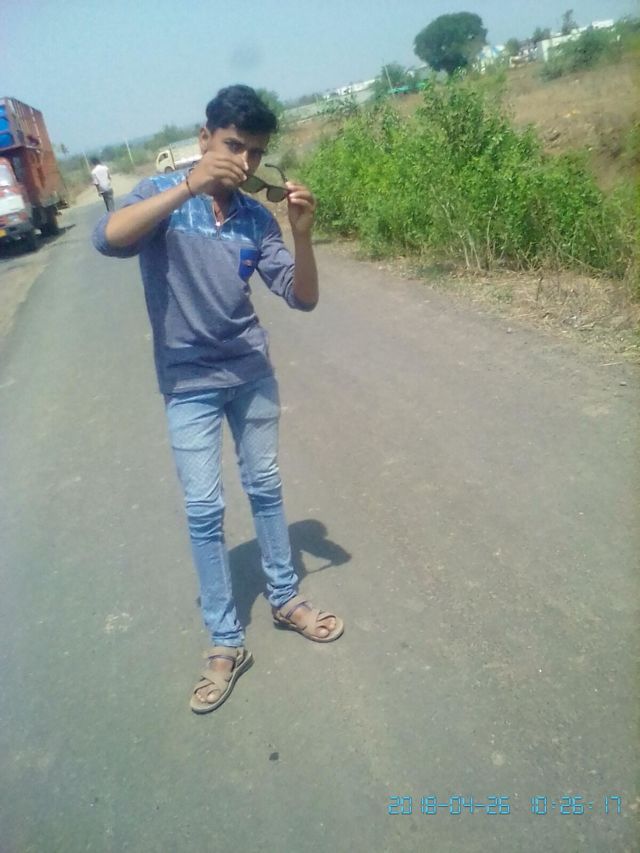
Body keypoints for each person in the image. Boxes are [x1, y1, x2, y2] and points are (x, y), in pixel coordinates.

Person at [92, 85, 344, 714]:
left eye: (255, 152)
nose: (244, 162)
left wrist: (303, 235)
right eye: (233, 145)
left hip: (250, 374)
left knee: (265, 488)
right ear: (204, 138)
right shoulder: (161, 197)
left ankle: (285, 598)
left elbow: (303, 298)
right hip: (188, 384)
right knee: (205, 509)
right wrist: (189, 185)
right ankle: (225, 639)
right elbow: (108, 238)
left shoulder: (256, 219)